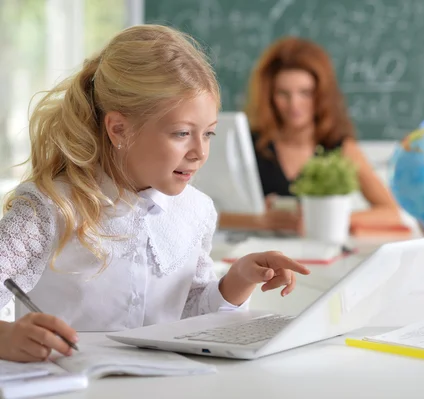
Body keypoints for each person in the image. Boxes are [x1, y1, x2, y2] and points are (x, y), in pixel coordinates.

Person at [0, 25, 310, 363]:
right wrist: (5, 338)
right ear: (119, 129)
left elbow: (190, 316)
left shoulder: (196, 210)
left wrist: (237, 281)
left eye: (208, 134)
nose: (199, 152)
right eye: (181, 133)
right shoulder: (49, 206)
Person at [217, 36, 402, 233]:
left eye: (305, 93)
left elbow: (391, 212)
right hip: (260, 255)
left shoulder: (339, 147)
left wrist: (322, 218)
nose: (294, 105)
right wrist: (260, 221)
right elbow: (210, 215)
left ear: (321, 94)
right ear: (269, 96)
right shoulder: (246, 145)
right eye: (283, 94)